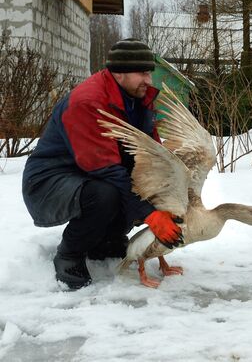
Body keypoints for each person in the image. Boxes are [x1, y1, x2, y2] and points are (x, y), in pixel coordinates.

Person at [22, 39, 184, 290]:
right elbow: (106, 171)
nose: (149, 80)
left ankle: (106, 242)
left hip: (89, 173)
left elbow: (151, 156)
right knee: (107, 193)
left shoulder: (137, 99)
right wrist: (149, 213)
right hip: (49, 180)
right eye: (142, 73)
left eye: (149, 72)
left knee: (132, 182)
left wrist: (165, 193)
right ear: (119, 73)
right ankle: (69, 254)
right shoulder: (88, 102)